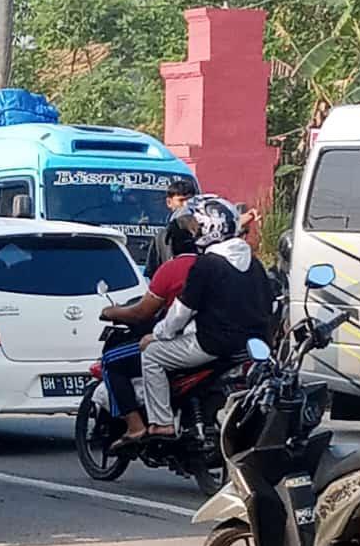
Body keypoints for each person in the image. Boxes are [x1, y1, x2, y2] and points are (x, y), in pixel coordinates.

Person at [138, 195, 274, 439]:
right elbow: (269, 304)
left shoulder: (206, 265)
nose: (194, 231)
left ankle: (162, 422)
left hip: (214, 344)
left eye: (197, 225)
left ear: (210, 227)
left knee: (151, 356)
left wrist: (157, 335)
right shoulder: (254, 264)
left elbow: (180, 313)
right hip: (255, 345)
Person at [99, 212, 199, 439]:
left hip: (178, 340)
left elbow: (142, 312)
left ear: (170, 242)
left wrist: (111, 312)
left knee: (111, 361)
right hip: (208, 340)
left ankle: (136, 426)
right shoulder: (213, 265)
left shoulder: (172, 269)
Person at [144, 177, 198, 279]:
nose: (186, 206)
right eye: (181, 201)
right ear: (169, 202)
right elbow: (154, 272)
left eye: (190, 201)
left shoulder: (204, 233)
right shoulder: (162, 237)